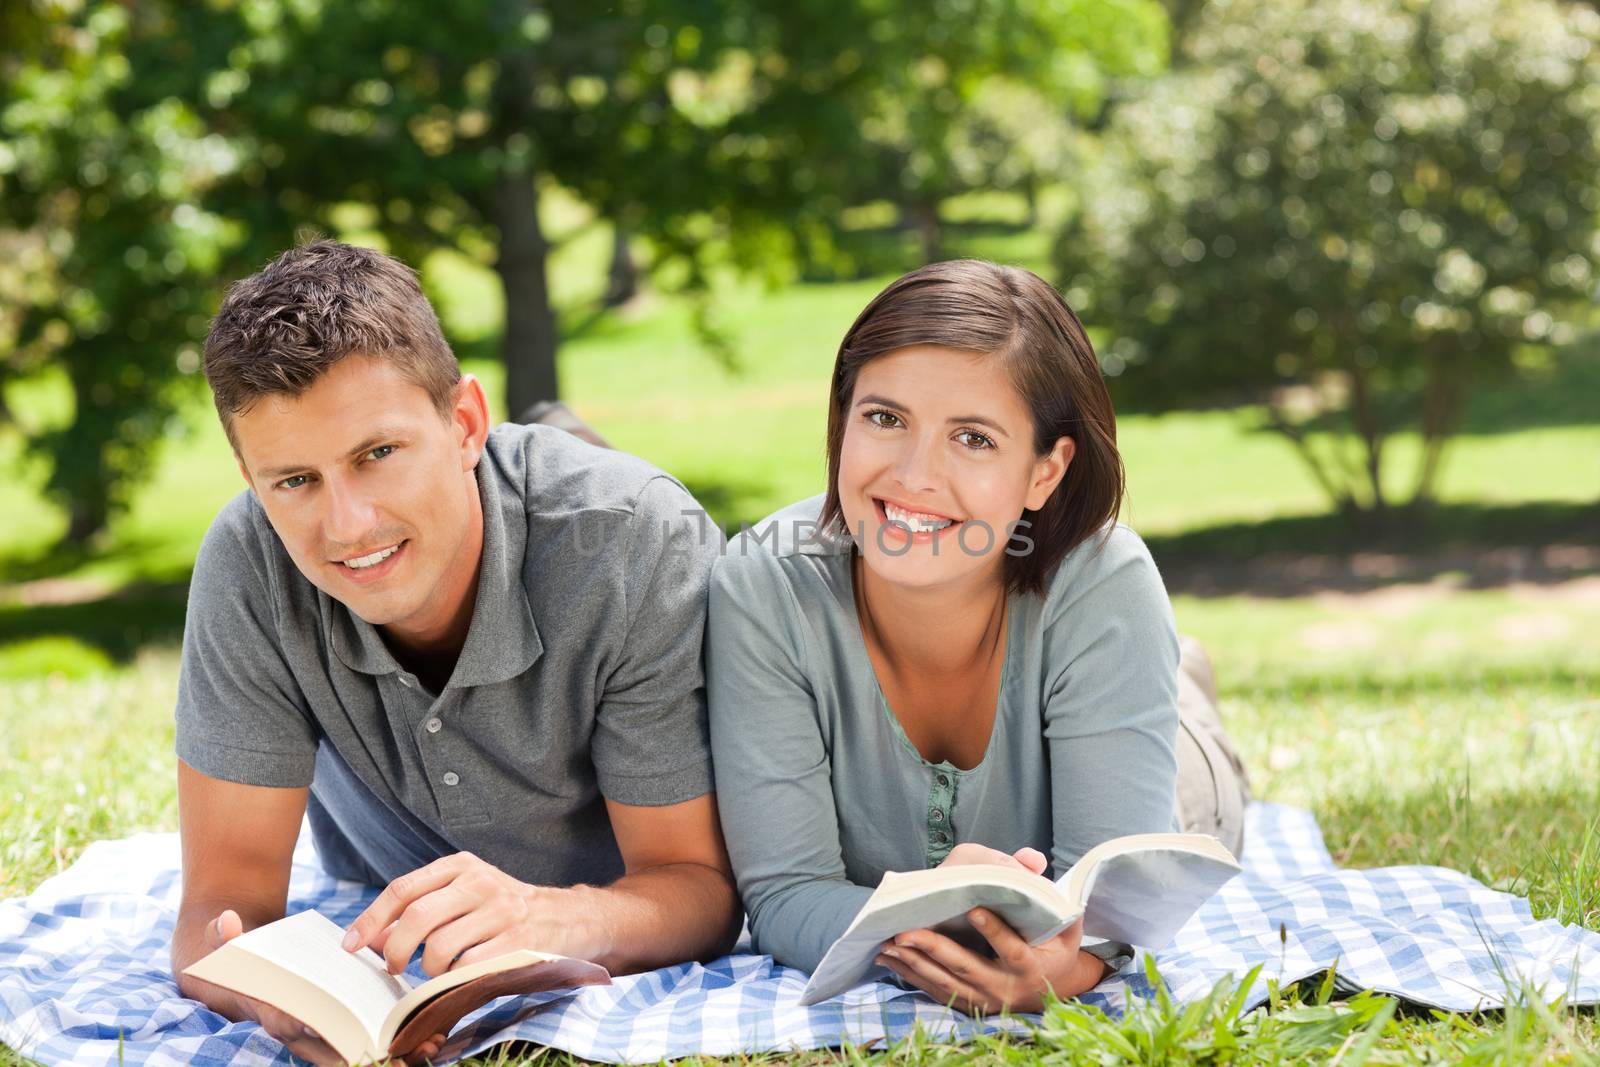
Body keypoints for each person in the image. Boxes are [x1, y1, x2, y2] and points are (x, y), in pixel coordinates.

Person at [171, 241, 740, 1065]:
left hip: (609, 879)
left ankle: (566, 439)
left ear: (465, 421)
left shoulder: (636, 543)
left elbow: (703, 889)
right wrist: (273, 999)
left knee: (607, 532)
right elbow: (219, 910)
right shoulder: (249, 560)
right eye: (294, 480)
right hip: (390, 876)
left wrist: (552, 919)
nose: (348, 524)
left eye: (378, 454)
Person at [706, 260, 1250, 1016]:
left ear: (1045, 470)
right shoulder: (763, 586)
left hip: (1180, 789)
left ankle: (1182, 681)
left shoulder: (1105, 582)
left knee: (1188, 787)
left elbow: (1118, 905)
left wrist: (1073, 969)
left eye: (973, 437)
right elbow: (786, 895)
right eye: (885, 418)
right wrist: (929, 919)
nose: (915, 475)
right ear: (841, 419)